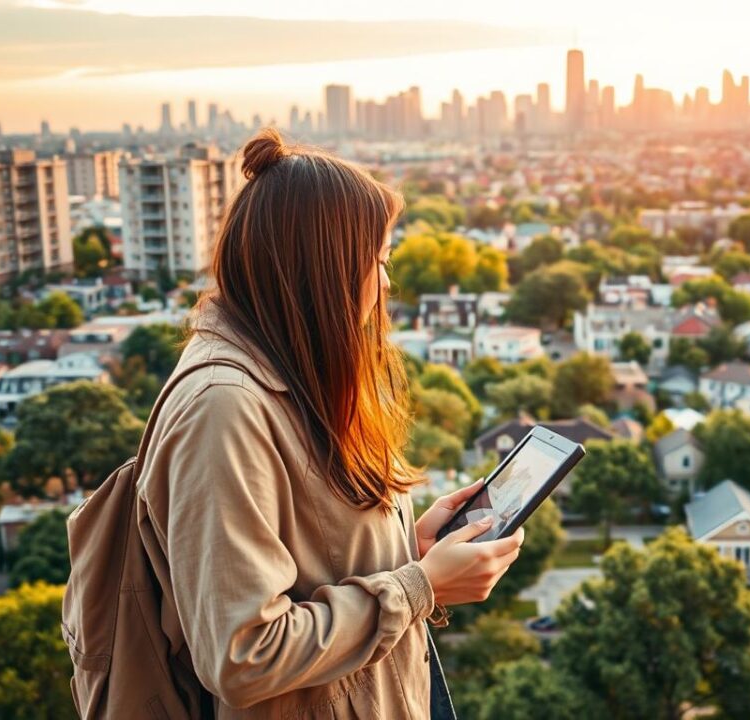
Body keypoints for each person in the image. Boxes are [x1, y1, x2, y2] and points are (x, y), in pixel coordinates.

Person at [135, 128, 524, 718]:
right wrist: (420, 588)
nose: (386, 282)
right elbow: (242, 654)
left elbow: (309, 559)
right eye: (379, 261)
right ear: (325, 270)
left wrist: (411, 549)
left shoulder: (282, 371)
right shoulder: (224, 407)